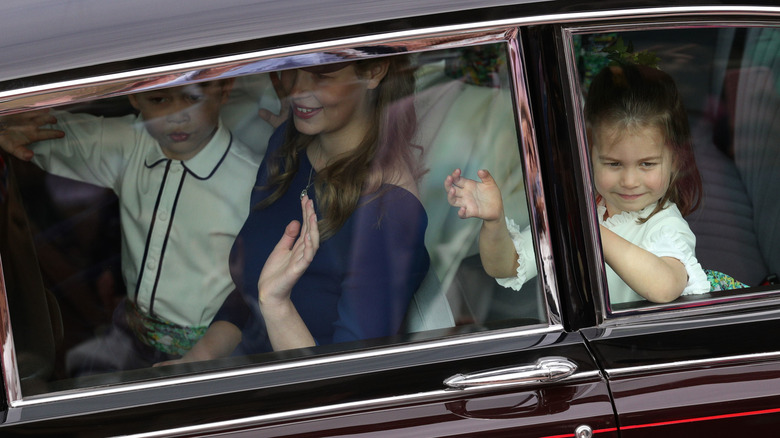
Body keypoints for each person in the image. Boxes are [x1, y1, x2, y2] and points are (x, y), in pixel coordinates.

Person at [164, 55, 431, 363]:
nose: (295, 89)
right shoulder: (289, 144)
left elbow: (346, 379)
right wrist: (198, 359)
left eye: (320, 75)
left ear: (373, 71)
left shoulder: (389, 212)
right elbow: (250, 289)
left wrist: (277, 306)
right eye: (292, 69)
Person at [0, 80, 262, 373]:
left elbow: (250, 290)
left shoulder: (250, 182)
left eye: (192, 97)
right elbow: (51, 131)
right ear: (135, 98)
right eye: (159, 99)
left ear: (224, 91)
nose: (176, 115)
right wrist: (9, 126)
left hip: (213, 352)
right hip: (131, 332)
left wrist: (203, 356)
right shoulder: (131, 144)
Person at [445, 63, 710, 304]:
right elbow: (506, 266)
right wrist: (494, 221)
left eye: (647, 164)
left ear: (675, 161)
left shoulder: (665, 225)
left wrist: (590, 230)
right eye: (613, 164)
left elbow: (664, 287)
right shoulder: (582, 208)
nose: (629, 181)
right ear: (589, 156)